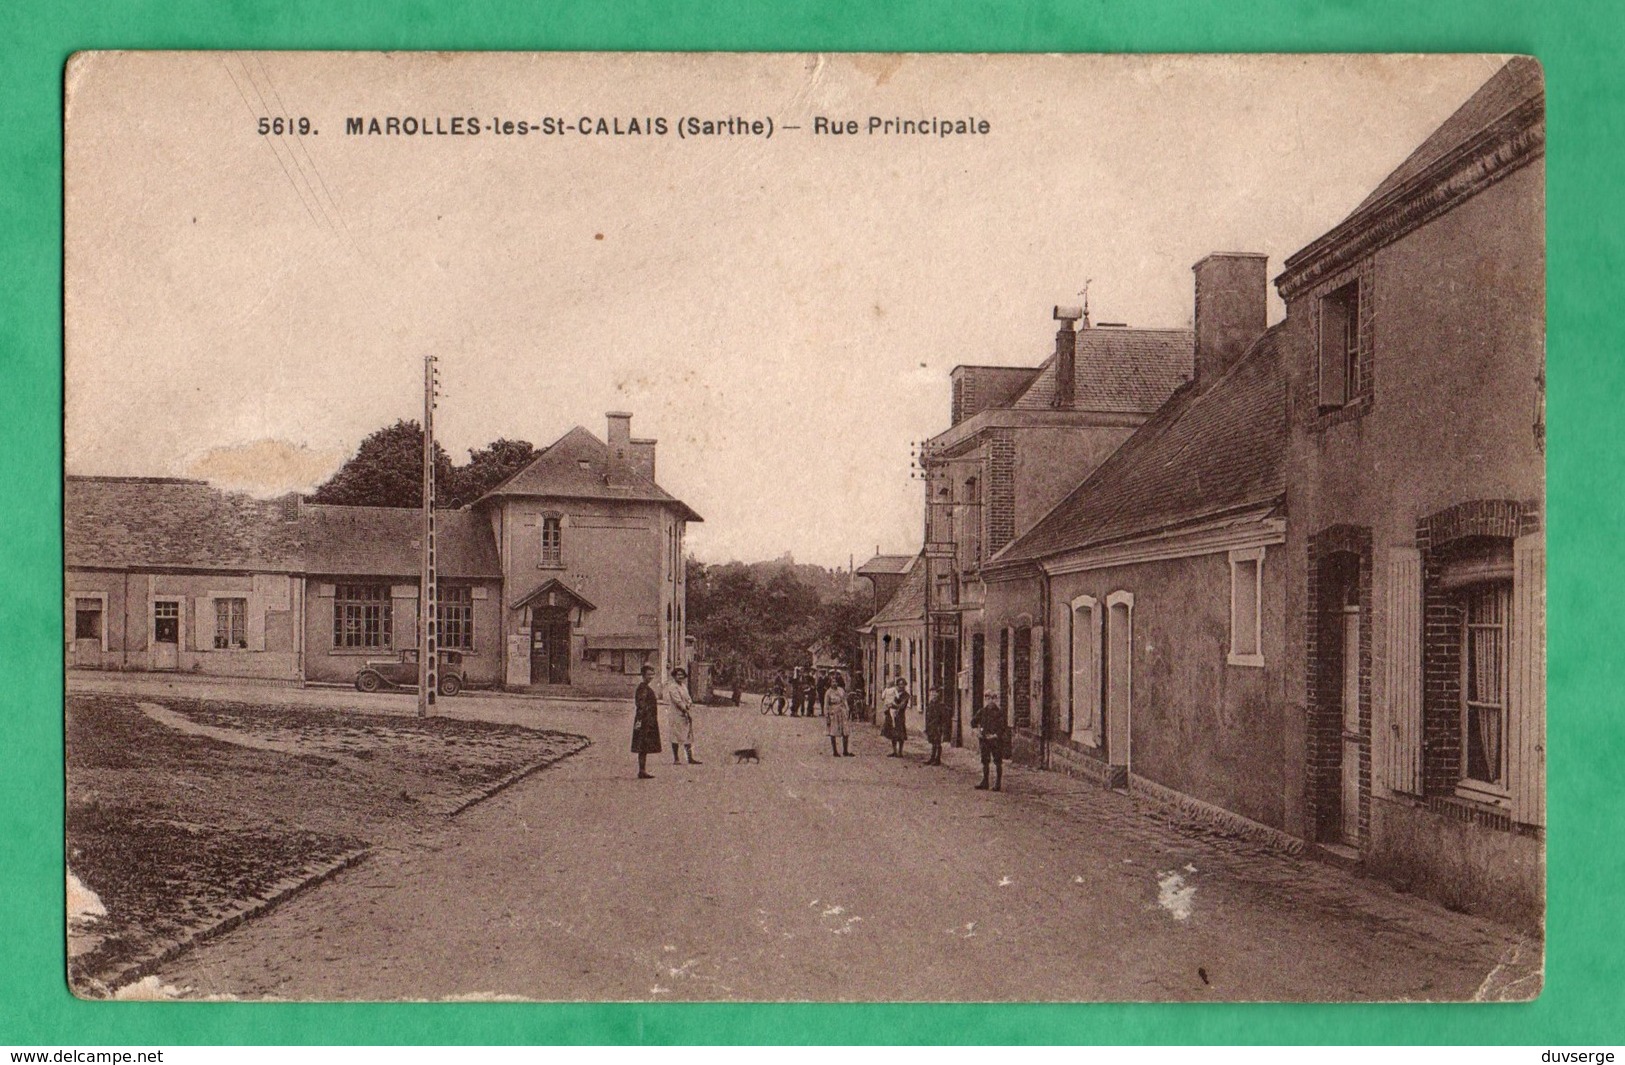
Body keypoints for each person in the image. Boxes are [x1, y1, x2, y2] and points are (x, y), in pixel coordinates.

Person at [631, 663, 662, 779]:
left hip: (648, 720)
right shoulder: (643, 688)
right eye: (648, 675)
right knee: (642, 746)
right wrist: (639, 720)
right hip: (645, 721)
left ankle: (642, 770)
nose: (651, 677)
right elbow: (641, 705)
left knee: (644, 746)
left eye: (652, 675)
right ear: (643, 675)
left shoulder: (645, 688)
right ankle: (641, 770)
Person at [665, 666, 701, 765]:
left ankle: (690, 758)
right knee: (676, 735)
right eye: (678, 675)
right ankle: (676, 758)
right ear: (674, 676)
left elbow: (688, 698)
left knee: (688, 735)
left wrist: (689, 704)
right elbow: (678, 701)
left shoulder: (683, 686)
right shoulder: (672, 687)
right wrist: (685, 710)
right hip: (676, 714)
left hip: (686, 713)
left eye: (682, 675)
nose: (680, 677)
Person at [972, 695, 1006, 791]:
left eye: (992, 698)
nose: (990, 701)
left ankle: (998, 783)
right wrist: (977, 732)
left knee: (997, 761)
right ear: (985, 700)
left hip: (995, 741)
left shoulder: (999, 713)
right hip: (984, 740)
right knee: (985, 761)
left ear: (995, 700)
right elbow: (973, 722)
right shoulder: (982, 711)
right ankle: (985, 781)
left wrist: (995, 735)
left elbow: (1003, 728)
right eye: (987, 698)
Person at [824, 671, 854, 757]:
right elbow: (826, 705)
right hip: (833, 713)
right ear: (830, 683)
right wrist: (827, 717)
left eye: (836, 681)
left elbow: (845, 701)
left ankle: (845, 751)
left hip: (842, 712)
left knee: (846, 731)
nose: (834, 683)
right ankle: (835, 751)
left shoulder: (841, 690)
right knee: (833, 732)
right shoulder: (828, 693)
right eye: (833, 682)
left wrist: (847, 710)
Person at [924, 691, 950, 766]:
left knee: (937, 743)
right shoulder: (930, 704)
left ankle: (937, 759)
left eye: (935, 694)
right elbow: (927, 716)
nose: (933, 696)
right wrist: (927, 727)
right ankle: (932, 758)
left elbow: (944, 717)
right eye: (932, 694)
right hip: (931, 726)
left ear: (938, 695)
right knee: (933, 742)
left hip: (937, 726)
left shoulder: (941, 705)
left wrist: (942, 727)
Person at [886, 678, 911, 757]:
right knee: (893, 734)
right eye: (899, 684)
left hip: (900, 715)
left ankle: (900, 752)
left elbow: (902, 705)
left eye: (902, 684)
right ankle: (894, 751)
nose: (901, 686)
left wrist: (893, 705)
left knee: (900, 734)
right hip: (892, 715)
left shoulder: (906, 695)